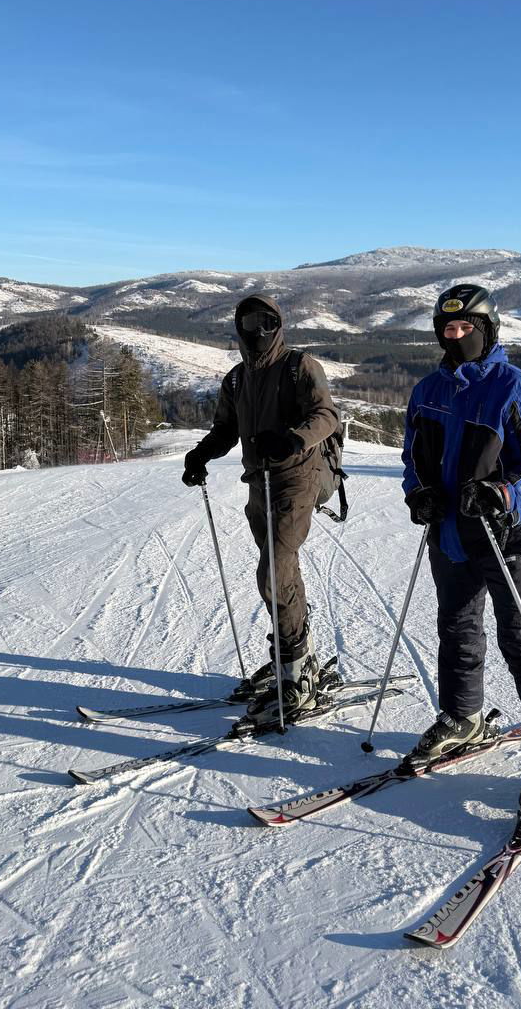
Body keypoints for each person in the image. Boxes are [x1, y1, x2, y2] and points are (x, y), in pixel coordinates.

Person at [401, 283, 521, 817]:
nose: (455, 338)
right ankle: (462, 716)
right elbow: (411, 455)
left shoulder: (514, 389)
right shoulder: (428, 389)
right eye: (447, 330)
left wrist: (504, 493)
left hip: (504, 536)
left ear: (486, 329)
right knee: (456, 627)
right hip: (451, 534)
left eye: (465, 329)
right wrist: (419, 493)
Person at [182, 293, 340, 724]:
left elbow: (326, 415)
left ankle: (294, 671)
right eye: (248, 323)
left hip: (296, 477)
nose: (257, 331)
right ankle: (296, 653)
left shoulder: (299, 366)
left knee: (275, 569)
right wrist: (200, 455)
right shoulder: (236, 380)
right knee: (281, 570)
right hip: (259, 481)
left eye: (265, 322)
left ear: (278, 324)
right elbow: (226, 430)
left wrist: (293, 438)